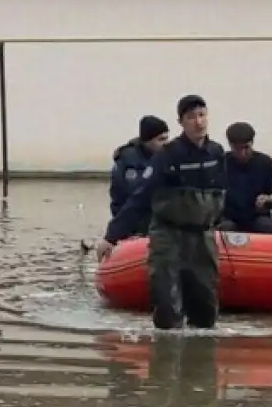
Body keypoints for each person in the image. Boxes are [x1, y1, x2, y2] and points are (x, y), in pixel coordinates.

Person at [96, 95, 226, 330]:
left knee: (205, 306)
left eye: (202, 115)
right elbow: (140, 197)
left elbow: (224, 194)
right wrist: (111, 236)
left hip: (202, 236)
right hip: (169, 235)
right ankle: (165, 357)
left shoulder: (215, 153)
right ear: (181, 122)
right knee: (167, 305)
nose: (198, 122)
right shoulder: (167, 155)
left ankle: (200, 362)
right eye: (191, 117)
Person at [217, 121, 272, 232]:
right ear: (230, 145)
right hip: (229, 219)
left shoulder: (265, 163)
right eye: (237, 149)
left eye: (246, 148)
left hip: (257, 217)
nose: (242, 153)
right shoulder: (221, 163)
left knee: (269, 228)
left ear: (252, 142)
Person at [109, 115, 171, 230]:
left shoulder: (166, 156)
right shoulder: (128, 161)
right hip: (134, 223)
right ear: (147, 141)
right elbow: (129, 195)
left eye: (167, 138)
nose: (166, 143)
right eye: (161, 139)